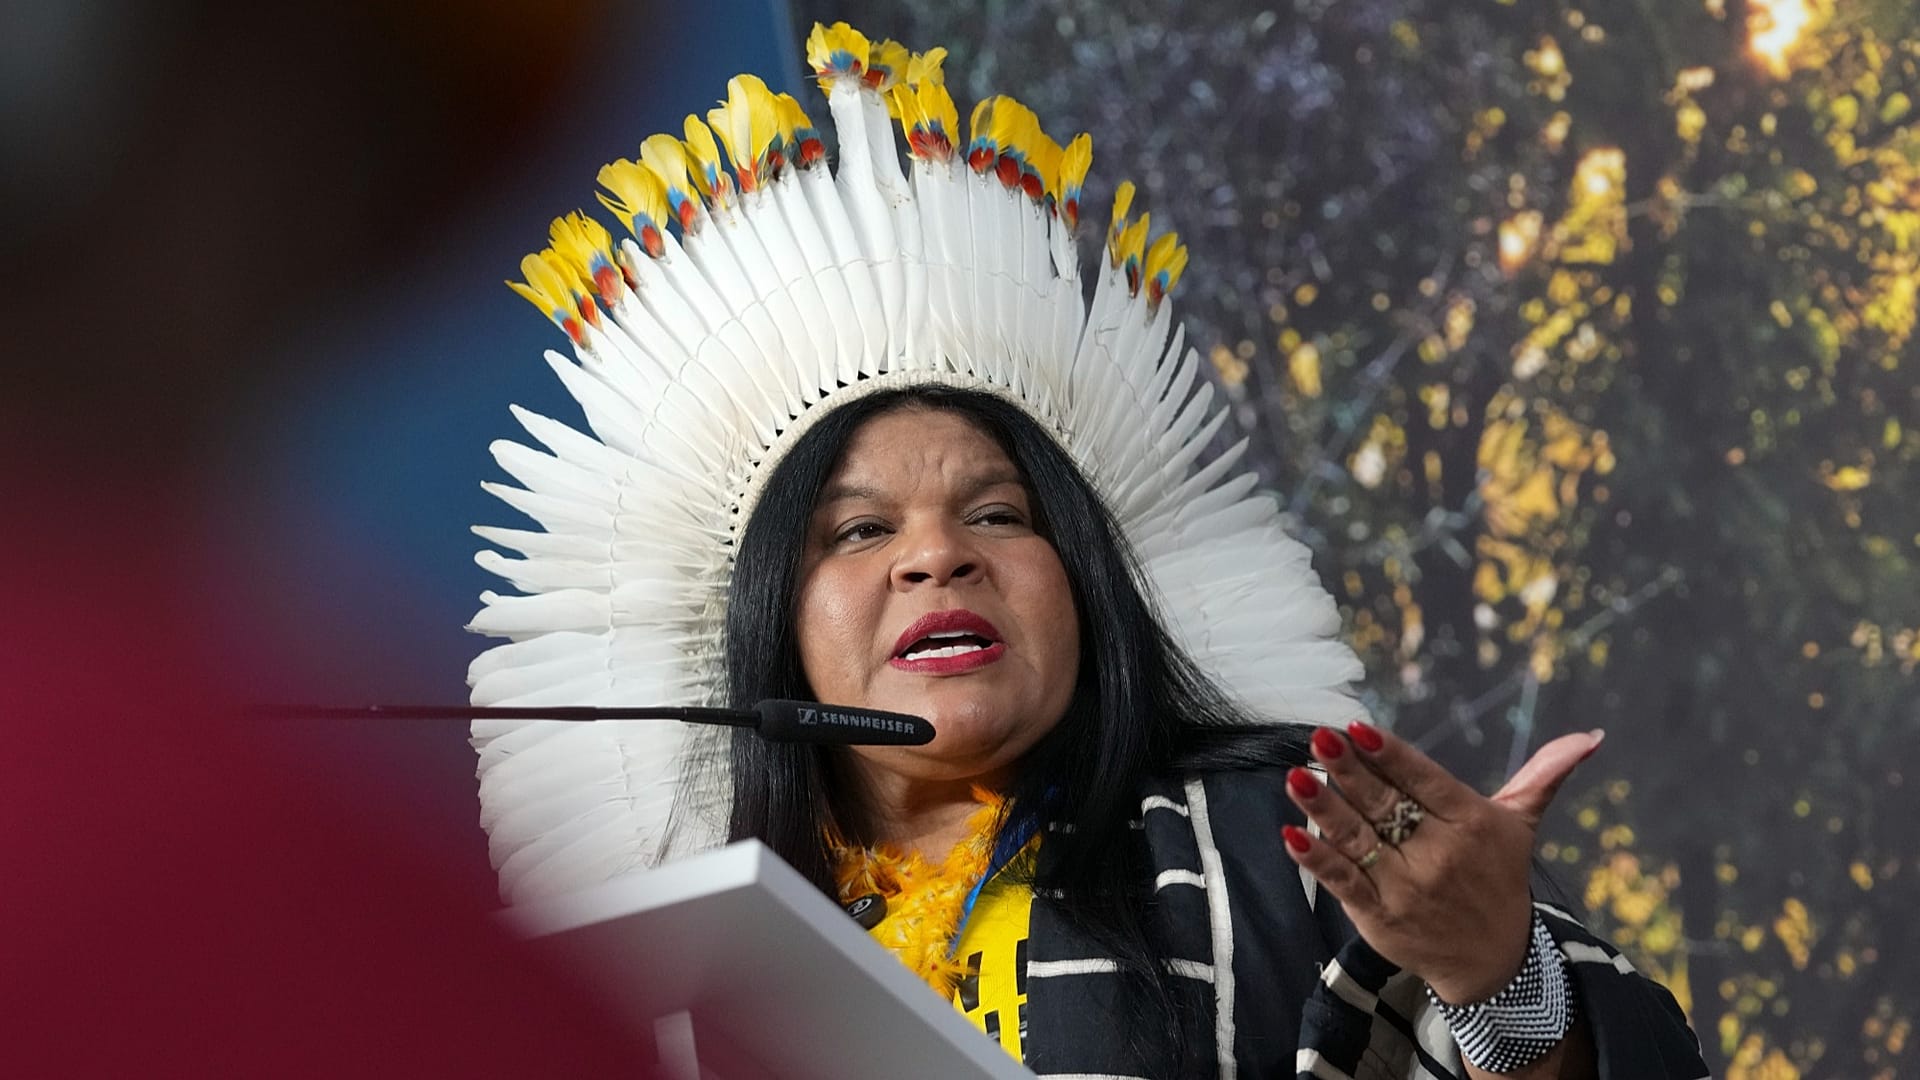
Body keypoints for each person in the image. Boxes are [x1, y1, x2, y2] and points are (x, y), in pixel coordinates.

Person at [465, 21, 1708, 1078]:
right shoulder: (693, 974)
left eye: (1000, 514)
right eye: (859, 530)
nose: (935, 558)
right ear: (767, 627)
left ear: (1089, 585)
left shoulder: (1300, 840)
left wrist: (1500, 983)